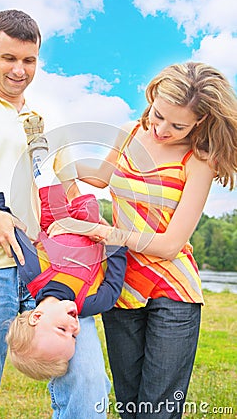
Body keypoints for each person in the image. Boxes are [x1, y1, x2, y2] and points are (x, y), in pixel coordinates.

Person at [0, 9, 110, 419]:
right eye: (9, 58)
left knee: (88, 387)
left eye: (28, 60)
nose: (19, 70)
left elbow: (69, 184)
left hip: (53, 268)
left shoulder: (47, 118)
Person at [47, 62, 237, 418]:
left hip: (172, 290)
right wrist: (59, 160)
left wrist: (102, 232)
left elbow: (170, 245)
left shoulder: (199, 159)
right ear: (152, 98)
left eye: (177, 125)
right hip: (122, 287)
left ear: (200, 121)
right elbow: (102, 177)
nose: (161, 129)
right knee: (129, 405)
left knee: (158, 410)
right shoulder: (131, 131)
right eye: (158, 115)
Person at [0, 173, 127, 380]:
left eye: (62, 330)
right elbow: (114, 282)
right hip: (90, 221)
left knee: (52, 179)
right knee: (84, 204)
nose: (74, 327)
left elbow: (14, 235)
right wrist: (111, 239)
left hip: (55, 216)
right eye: (74, 336)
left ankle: (51, 157)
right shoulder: (91, 302)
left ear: (37, 316)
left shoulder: (34, 272)